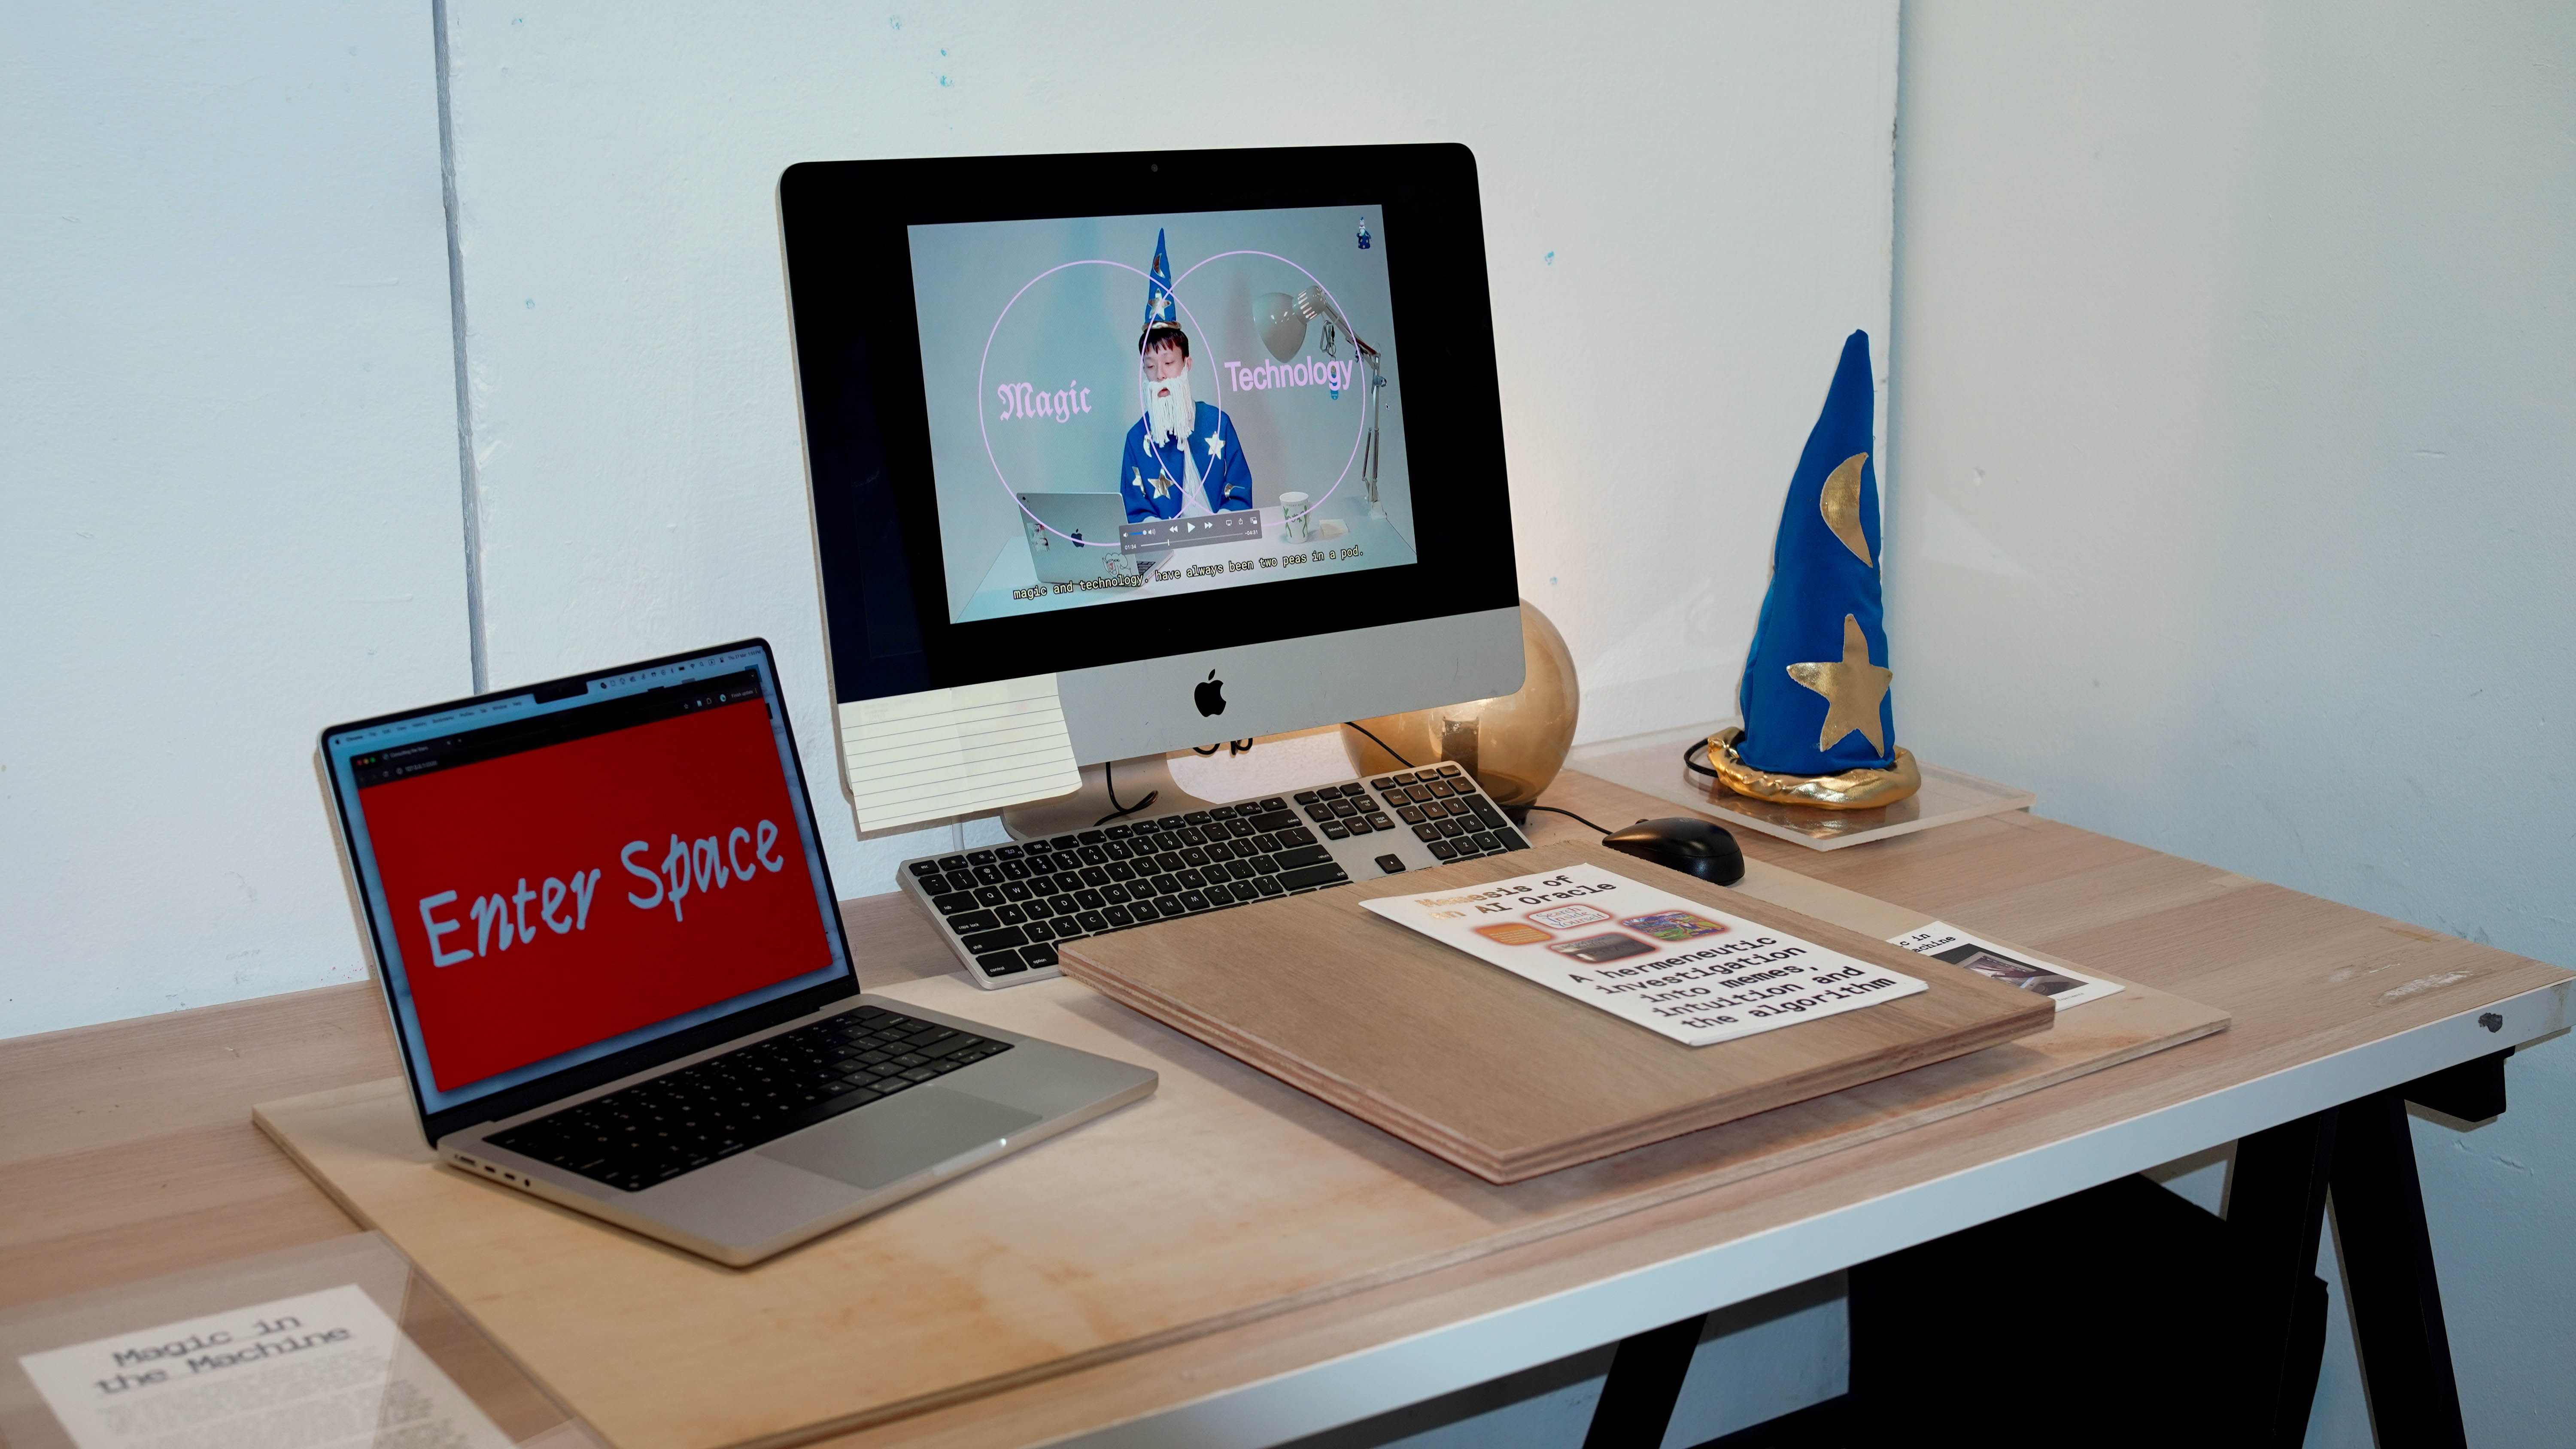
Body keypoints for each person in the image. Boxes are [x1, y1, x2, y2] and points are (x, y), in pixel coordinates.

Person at [1118, 230, 1252, 521]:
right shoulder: (1136, 440)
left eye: (1168, 362)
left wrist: (1223, 528)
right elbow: (1135, 511)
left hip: (1224, 543)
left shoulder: (1218, 424)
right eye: (1150, 366)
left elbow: (1240, 492)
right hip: (1169, 549)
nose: (1160, 375)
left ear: (1187, 364)